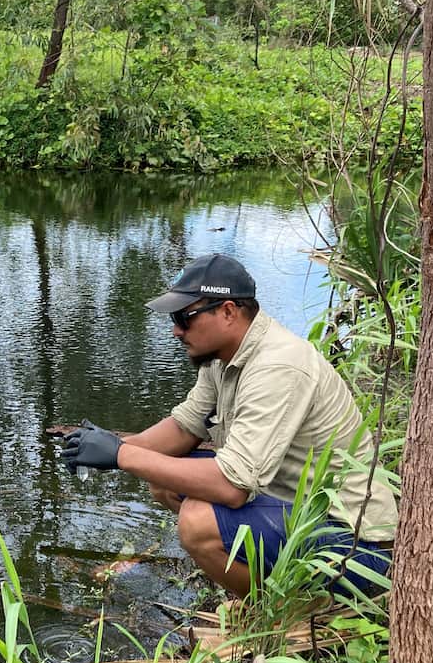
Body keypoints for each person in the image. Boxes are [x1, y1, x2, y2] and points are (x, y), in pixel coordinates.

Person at [61, 253, 397, 598]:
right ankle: (246, 569)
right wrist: (102, 446)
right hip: (292, 506)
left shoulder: (279, 366)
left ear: (228, 311)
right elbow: (184, 428)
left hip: (356, 550)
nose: (176, 330)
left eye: (184, 317)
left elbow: (231, 487)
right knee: (161, 482)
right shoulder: (224, 356)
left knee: (197, 521)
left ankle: (269, 610)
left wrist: (122, 456)